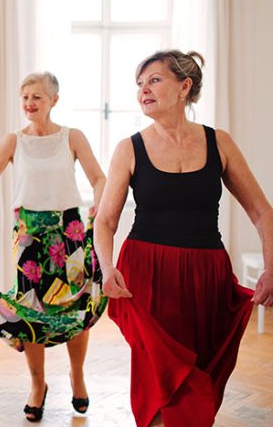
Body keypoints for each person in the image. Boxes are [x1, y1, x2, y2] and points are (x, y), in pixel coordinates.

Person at [94, 50, 273, 426]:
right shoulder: (129, 148)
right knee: (163, 385)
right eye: (139, 84)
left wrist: (271, 268)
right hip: (146, 278)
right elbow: (106, 221)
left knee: (200, 381)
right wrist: (107, 268)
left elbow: (261, 211)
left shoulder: (218, 143)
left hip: (206, 277)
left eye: (154, 80)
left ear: (184, 87)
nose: (144, 89)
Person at [0, 71, 108, 422]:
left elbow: (99, 178)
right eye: (25, 96)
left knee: (74, 307)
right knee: (30, 310)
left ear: (54, 100)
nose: (29, 103)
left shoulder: (73, 137)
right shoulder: (14, 140)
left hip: (68, 231)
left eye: (37, 96)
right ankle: (37, 384)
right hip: (27, 232)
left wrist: (99, 205)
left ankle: (78, 376)